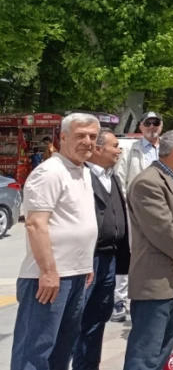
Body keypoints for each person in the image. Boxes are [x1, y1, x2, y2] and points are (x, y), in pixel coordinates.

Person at [12, 113, 99, 370]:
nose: (87, 141)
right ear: (62, 137)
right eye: (80, 135)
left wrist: (85, 264)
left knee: (62, 349)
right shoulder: (50, 172)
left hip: (75, 274)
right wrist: (49, 271)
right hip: (49, 278)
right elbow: (35, 224)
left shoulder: (83, 171)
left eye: (92, 136)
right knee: (35, 351)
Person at [123, 131, 173, 370]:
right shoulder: (149, 182)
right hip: (155, 281)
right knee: (146, 352)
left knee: (164, 349)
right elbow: (163, 229)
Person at [73, 129, 129, 370]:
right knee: (77, 319)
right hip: (88, 258)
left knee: (98, 317)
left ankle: (88, 366)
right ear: (98, 149)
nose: (119, 150)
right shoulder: (81, 176)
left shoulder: (113, 177)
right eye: (115, 146)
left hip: (110, 257)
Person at [114, 110, 162, 322]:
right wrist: (128, 208)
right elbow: (121, 180)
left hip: (162, 211)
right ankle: (122, 299)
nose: (152, 126)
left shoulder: (167, 149)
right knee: (133, 255)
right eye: (147, 123)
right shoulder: (130, 150)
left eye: (156, 122)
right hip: (136, 212)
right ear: (140, 126)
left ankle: (149, 297)